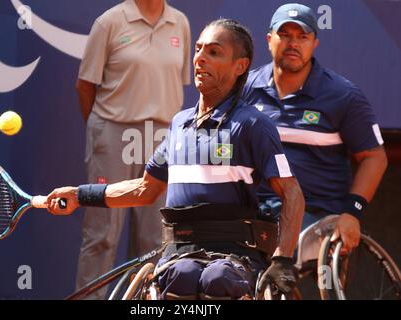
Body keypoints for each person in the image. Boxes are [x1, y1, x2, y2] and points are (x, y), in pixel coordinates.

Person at [48, 19, 305, 300]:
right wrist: (80, 195)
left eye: (214, 52)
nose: (200, 59)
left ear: (239, 66)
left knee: (217, 279)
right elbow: (145, 190)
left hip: (236, 255)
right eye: (198, 49)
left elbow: (291, 192)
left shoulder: (254, 125)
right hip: (180, 253)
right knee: (180, 277)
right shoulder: (179, 124)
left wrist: (283, 259)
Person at [243, 3, 388, 254]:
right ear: (269, 40)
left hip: (315, 215)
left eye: (302, 36)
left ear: (314, 44)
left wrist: (352, 212)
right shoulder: (244, 89)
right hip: (252, 211)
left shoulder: (343, 96)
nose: (293, 43)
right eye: (285, 35)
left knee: (283, 253)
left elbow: (375, 158)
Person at [75, 0, 191, 299]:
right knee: (102, 234)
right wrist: (104, 133)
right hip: (114, 132)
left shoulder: (180, 23)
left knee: (155, 238)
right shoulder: (110, 22)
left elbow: (176, 84)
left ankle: (145, 302)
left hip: (163, 138)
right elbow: (85, 86)